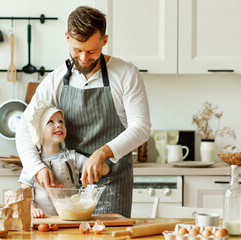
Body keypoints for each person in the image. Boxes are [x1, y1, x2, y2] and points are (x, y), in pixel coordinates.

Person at [16, 6, 151, 217]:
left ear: (104, 41)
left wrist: (103, 152)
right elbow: (24, 125)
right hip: (67, 191)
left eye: (92, 51)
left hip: (111, 184)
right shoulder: (56, 79)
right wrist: (36, 168)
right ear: (67, 38)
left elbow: (141, 127)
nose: (84, 58)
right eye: (77, 50)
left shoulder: (126, 74)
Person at [19, 100, 109, 218]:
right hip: (43, 219)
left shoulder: (72, 157)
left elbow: (103, 169)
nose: (59, 125)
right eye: (50, 121)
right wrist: (31, 209)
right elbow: (24, 191)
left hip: (71, 217)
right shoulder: (32, 162)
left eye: (61, 121)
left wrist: (99, 164)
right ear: (39, 131)